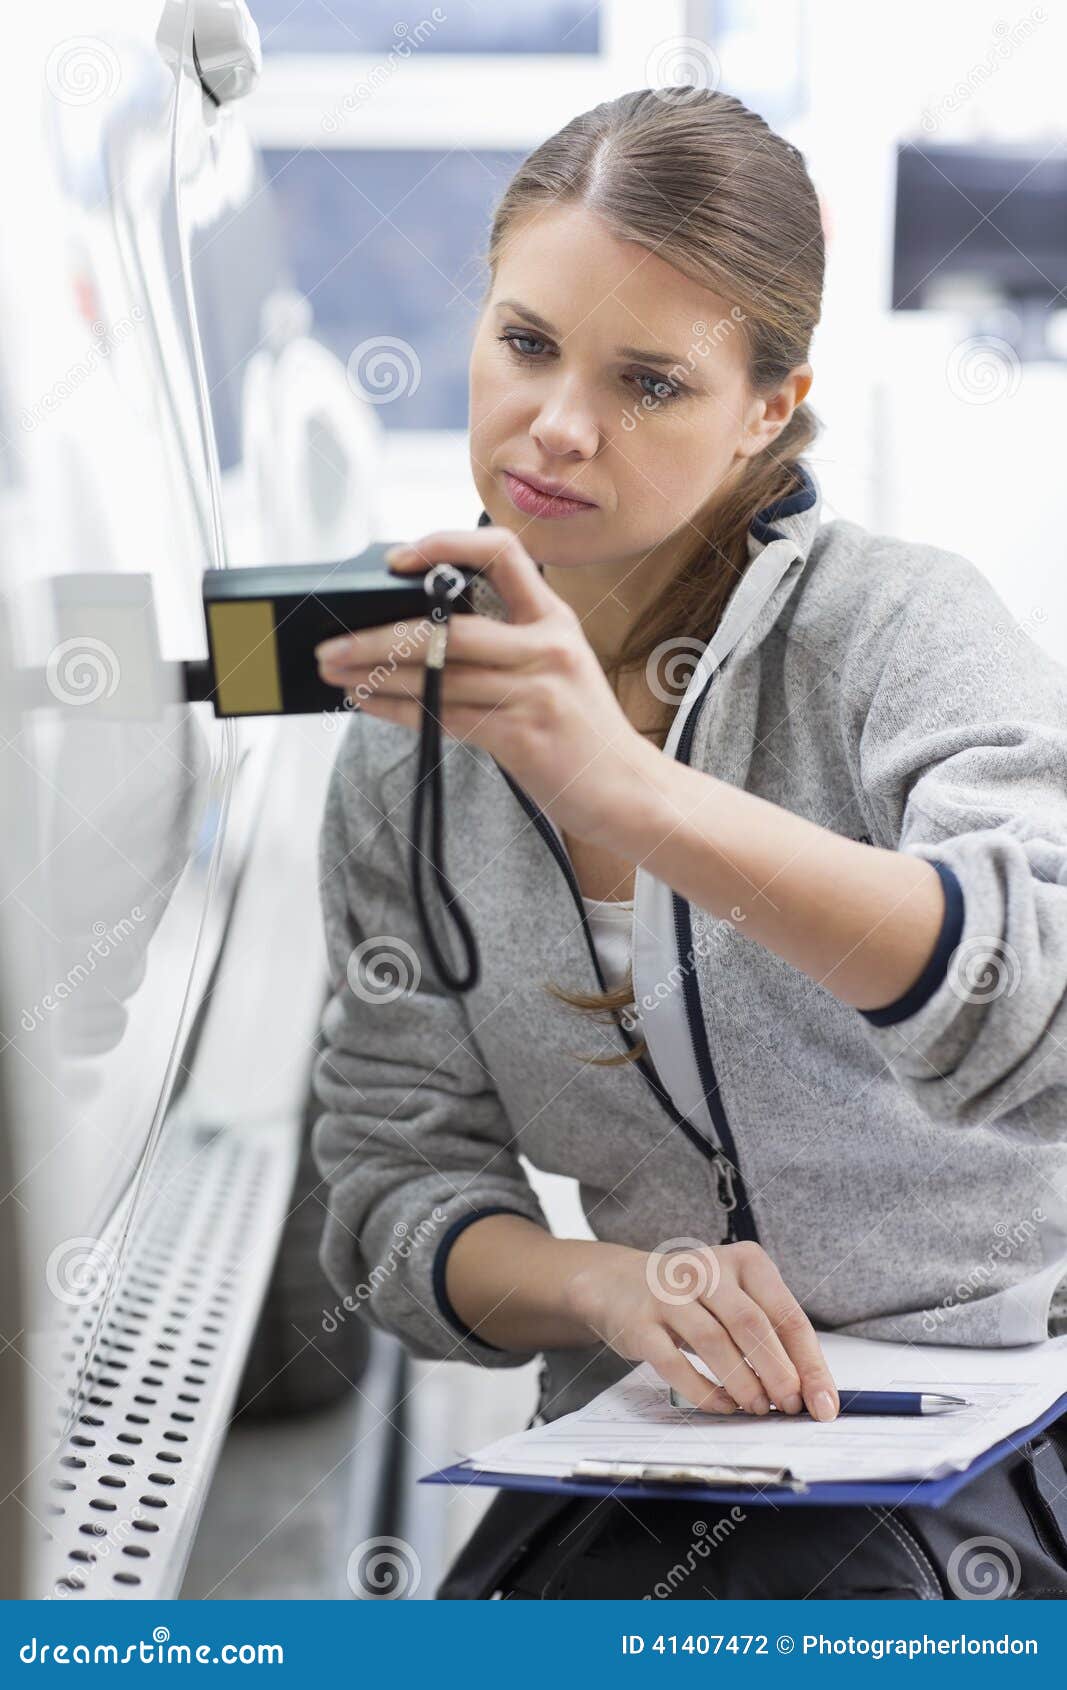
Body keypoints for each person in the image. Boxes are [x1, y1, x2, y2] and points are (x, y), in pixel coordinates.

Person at [309, 86, 1067, 1599]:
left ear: (766, 413)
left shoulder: (898, 629)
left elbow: (1036, 1003)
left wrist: (632, 794)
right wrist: (611, 1284)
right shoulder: (410, 734)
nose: (558, 426)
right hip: (666, 1442)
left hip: (1001, 1417)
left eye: (652, 383)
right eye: (525, 342)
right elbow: (390, 1191)